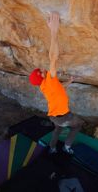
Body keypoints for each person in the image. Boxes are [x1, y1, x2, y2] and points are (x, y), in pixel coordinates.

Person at [29, 12, 84, 154]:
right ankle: (67, 146)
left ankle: (52, 148)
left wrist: (70, 81)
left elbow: (59, 89)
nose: (42, 69)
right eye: (40, 71)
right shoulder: (50, 79)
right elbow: (53, 57)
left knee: (58, 128)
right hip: (63, 116)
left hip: (55, 116)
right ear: (41, 76)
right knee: (78, 125)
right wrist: (54, 30)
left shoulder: (46, 85)